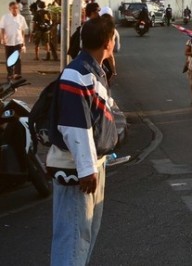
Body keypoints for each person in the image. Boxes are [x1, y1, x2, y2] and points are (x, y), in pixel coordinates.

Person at [47, 15, 118, 265]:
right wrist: (87, 169)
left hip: (90, 165)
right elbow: (75, 126)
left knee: (83, 234)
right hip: (77, 170)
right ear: (107, 42)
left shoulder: (92, 70)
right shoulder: (77, 74)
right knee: (74, 236)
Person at [1, 0, 28, 79]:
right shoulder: (5, 17)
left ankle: (17, 74)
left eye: (16, 8)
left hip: (18, 41)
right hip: (8, 41)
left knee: (17, 58)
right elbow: (2, 29)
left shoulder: (21, 18)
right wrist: (2, 39)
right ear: (9, 9)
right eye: (13, 8)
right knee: (9, 58)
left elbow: (22, 31)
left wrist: (23, 42)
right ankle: (10, 73)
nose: (15, 10)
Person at [98, 7, 121, 82]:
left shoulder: (92, 28)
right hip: (105, 65)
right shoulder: (113, 32)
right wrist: (114, 72)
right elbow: (116, 49)